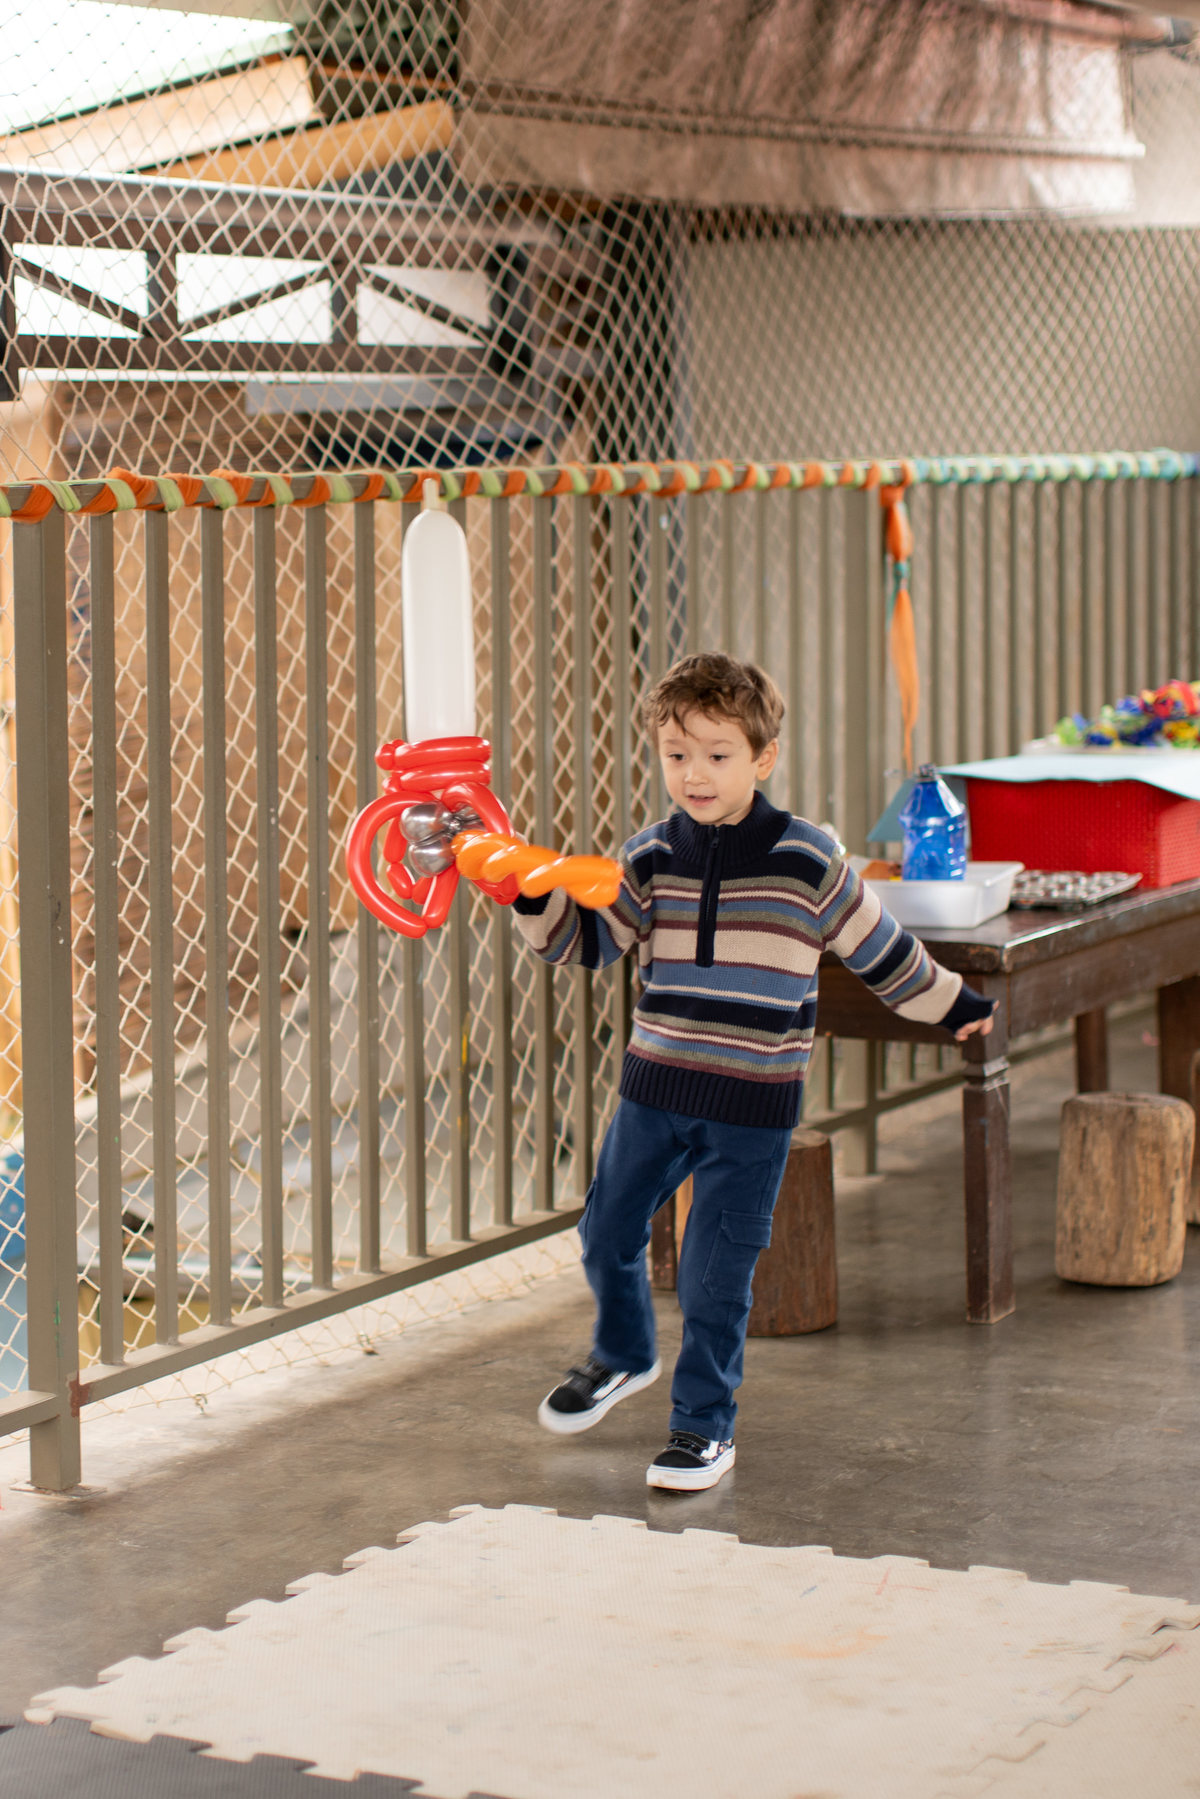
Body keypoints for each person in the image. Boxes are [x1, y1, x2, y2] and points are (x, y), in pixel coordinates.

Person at [512, 652, 995, 1493]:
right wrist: (528, 896)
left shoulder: (808, 860)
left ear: (762, 757)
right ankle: (624, 1355)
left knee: (712, 1275)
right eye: (675, 754)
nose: (693, 774)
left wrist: (955, 1005)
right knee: (605, 1230)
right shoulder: (651, 853)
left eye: (717, 753)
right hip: (653, 1091)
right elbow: (584, 945)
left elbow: (884, 955)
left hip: (752, 1107)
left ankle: (704, 1429)